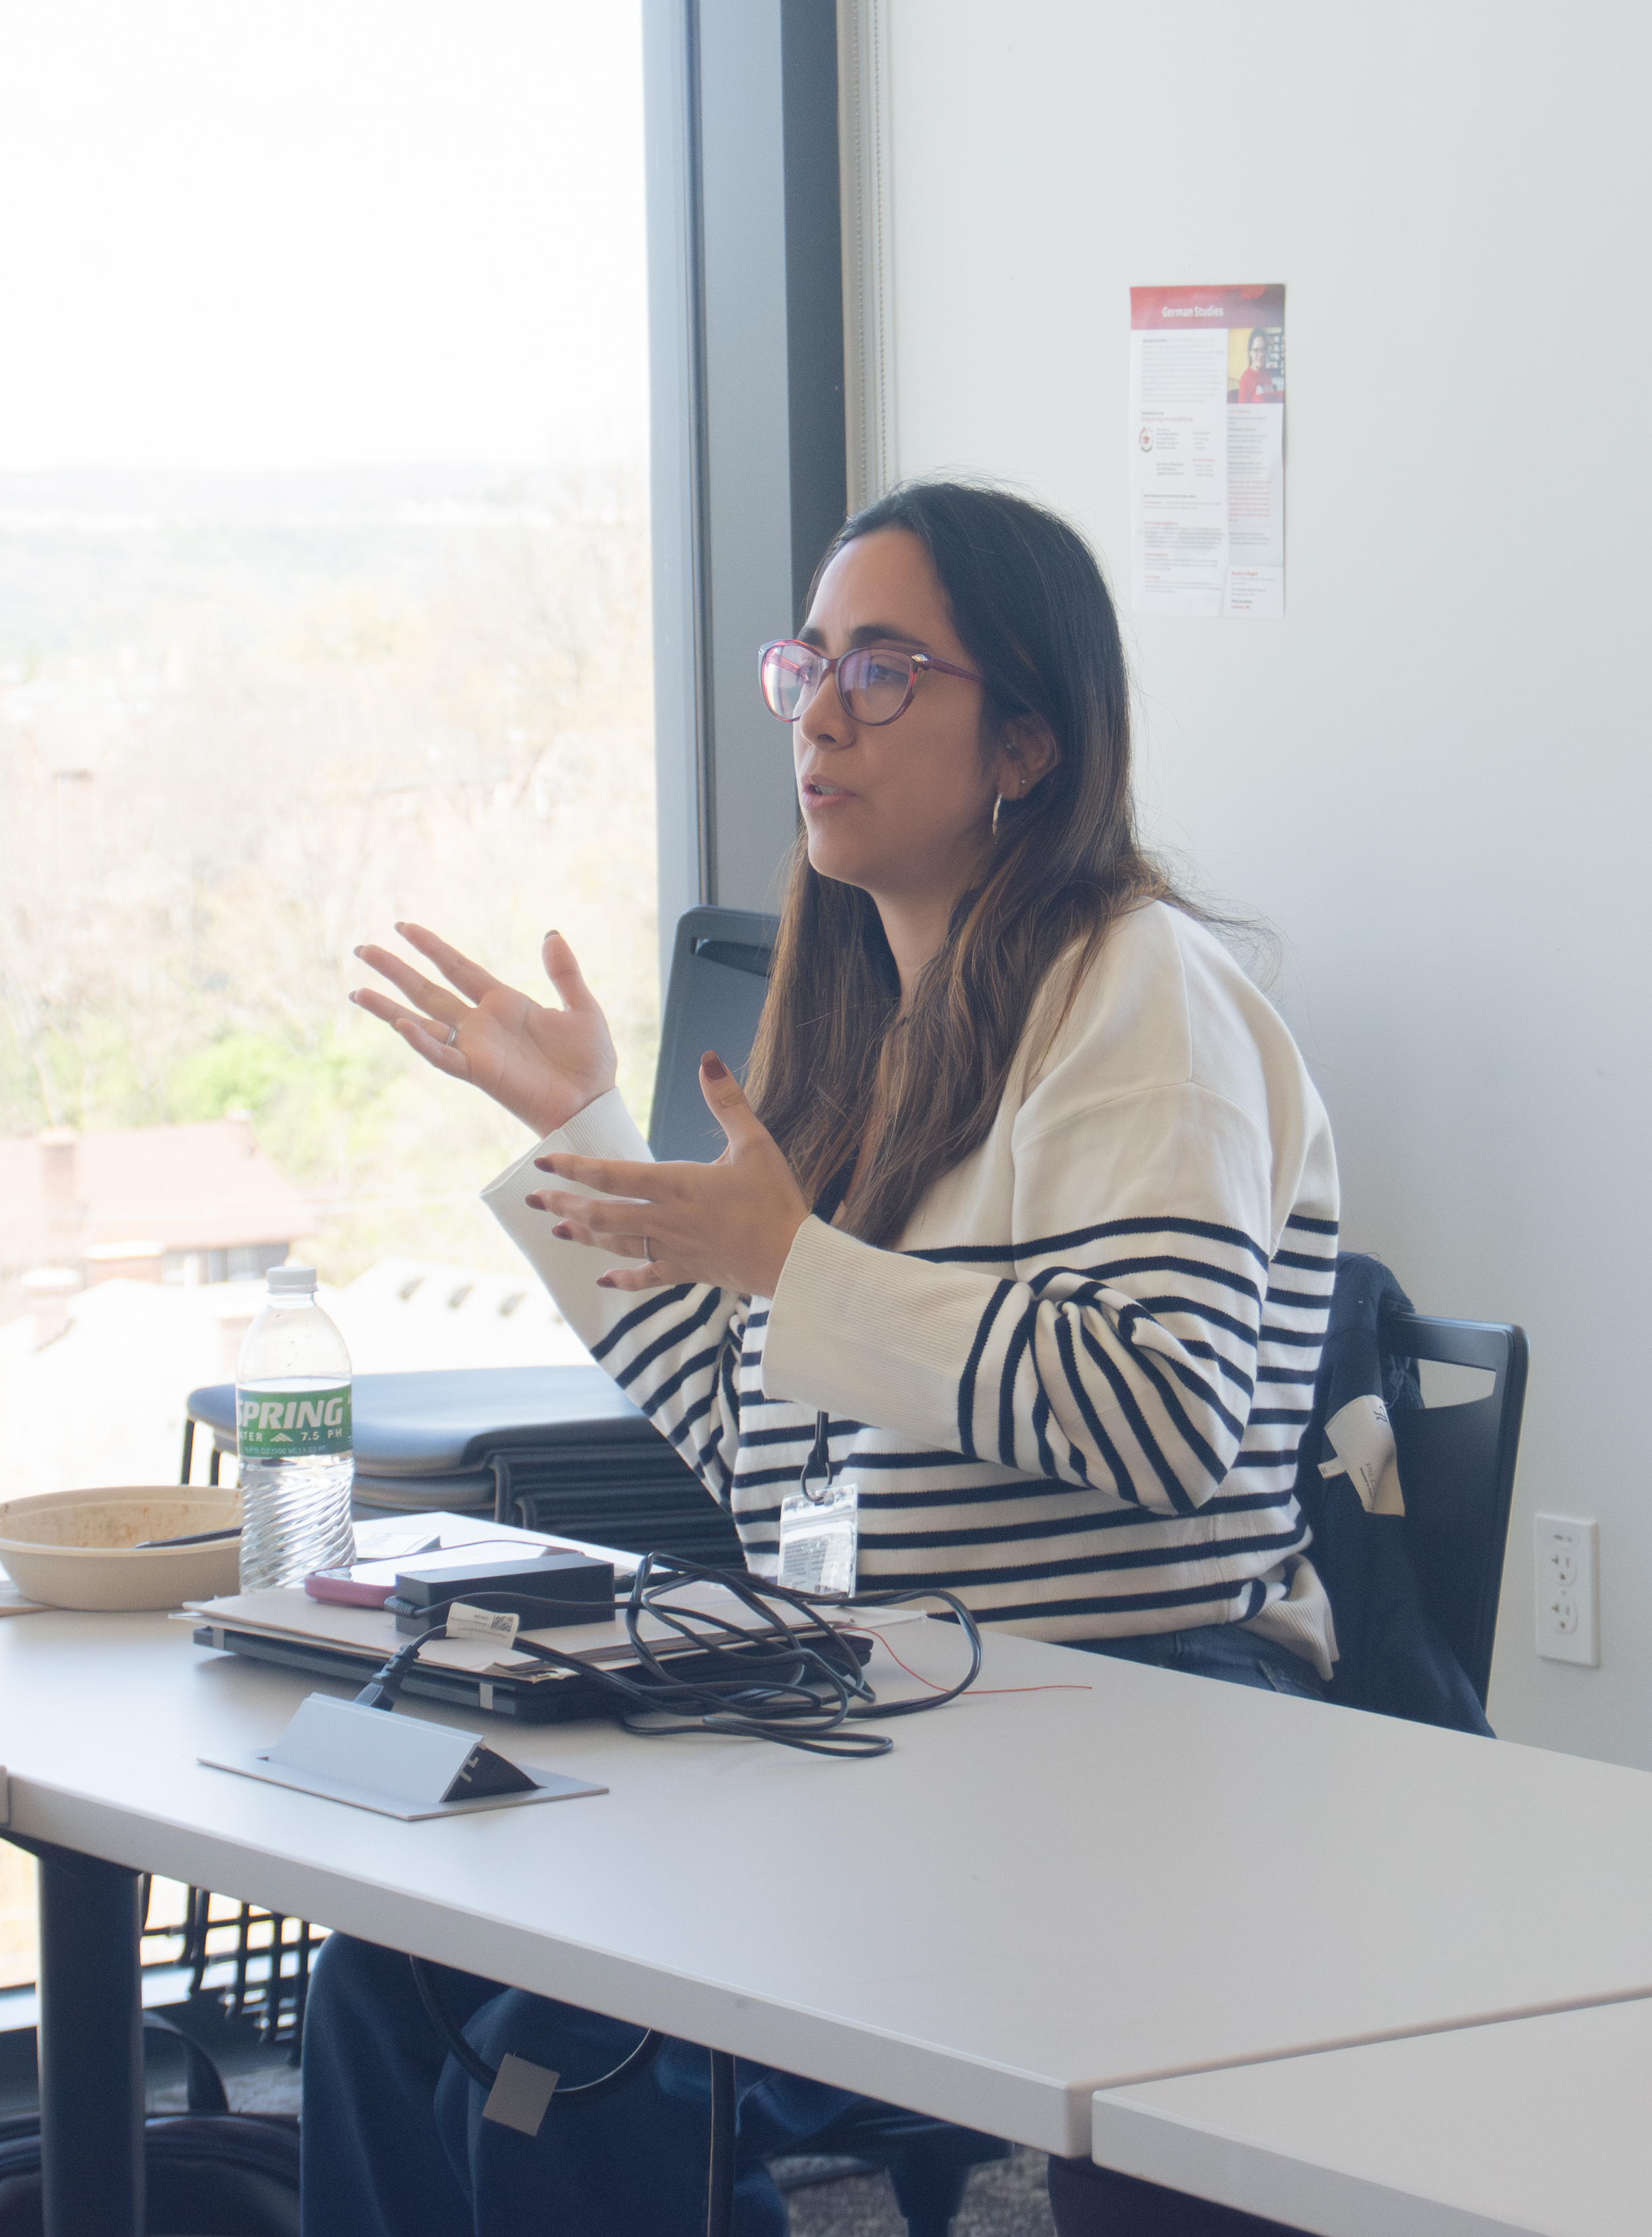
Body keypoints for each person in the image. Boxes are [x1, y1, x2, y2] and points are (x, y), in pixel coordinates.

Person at [305, 479, 1341, 2236]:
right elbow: (762, 1444)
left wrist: (799, 1263)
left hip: (1137, 1721)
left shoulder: (1134, 990)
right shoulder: (875, 1021)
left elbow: (1174, 1416)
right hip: (900, 1707)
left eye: (884, 669)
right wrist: (580, 1129)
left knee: (563, 2069)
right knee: (381, 1975)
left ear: (1025, 734)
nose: (822, 714)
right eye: (809, 667)